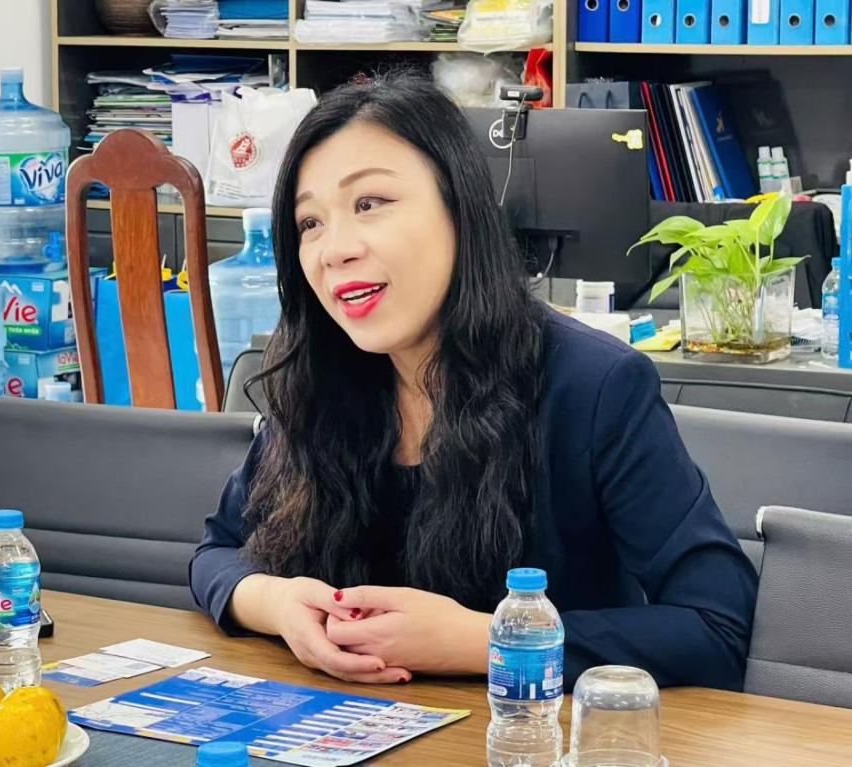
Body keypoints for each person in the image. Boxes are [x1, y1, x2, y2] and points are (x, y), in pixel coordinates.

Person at [189, 70, 757, 689]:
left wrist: (484, 641)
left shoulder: (594, 386)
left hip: (531, 731)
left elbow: (717, 625)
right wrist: (276, 603)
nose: (334, 249)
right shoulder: (319, 377)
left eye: (369, 204)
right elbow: (217, 553)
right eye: (309, 223)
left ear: (459, 209)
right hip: (345, 725)